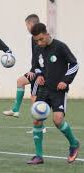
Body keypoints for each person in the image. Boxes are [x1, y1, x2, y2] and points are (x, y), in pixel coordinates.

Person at [27, 23, 80, 164]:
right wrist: (38, 75)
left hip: (58, 91)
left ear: (46, 34)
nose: (39, 42)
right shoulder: (38, 49)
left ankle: (74, 144)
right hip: (43, 90)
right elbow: (36, 66)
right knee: (37, 119)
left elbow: (74, 64)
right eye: (36, 40)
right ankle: (38, 156)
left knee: (57, 120)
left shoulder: (60, 46)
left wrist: (66, 81)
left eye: (40, 39)